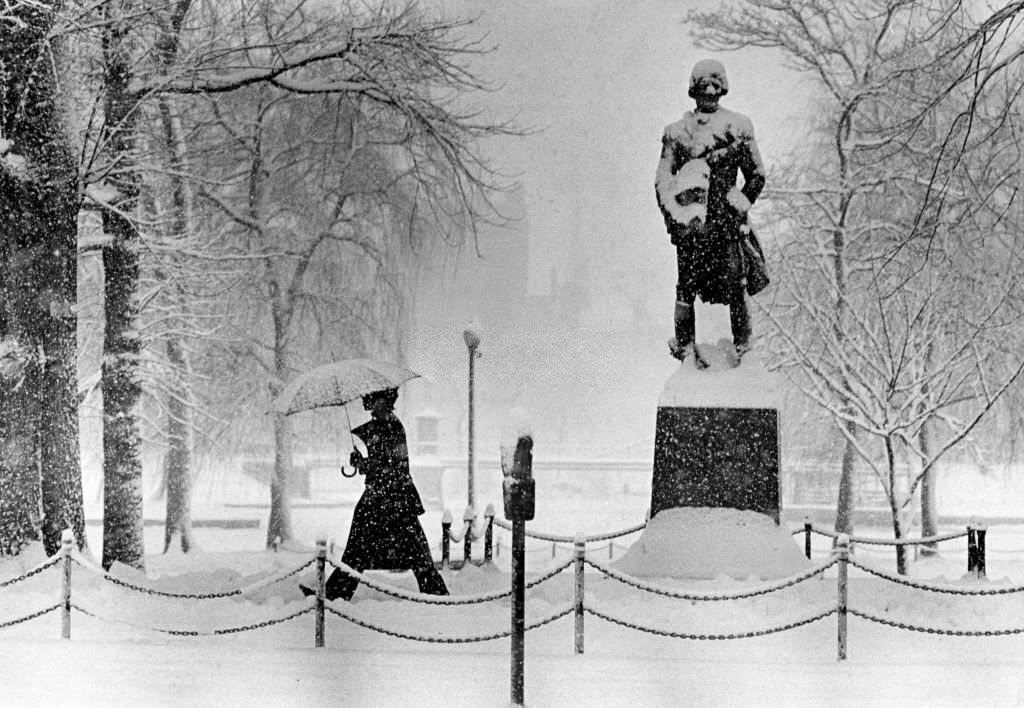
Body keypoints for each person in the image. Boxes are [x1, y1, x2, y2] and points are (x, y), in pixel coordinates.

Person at [655, 58, 769, 367]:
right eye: (703, 86)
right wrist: (677, 219)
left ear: (722, 89)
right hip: (691, 229)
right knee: (685, 289)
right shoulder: (676, 133)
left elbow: (756, 174)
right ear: (693, 91)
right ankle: (686, 350)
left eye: (714, 86)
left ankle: (745, 350)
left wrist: (739, 201)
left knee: (737, 287)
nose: (708, 92)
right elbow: (663, 181)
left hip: (726, 226)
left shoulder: (738, 127)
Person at [301, 387, 448, 601]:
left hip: (391, 500)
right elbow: (384, 464)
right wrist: (364, 463)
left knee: (408, 554)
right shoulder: (385, 426)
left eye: (374, 401)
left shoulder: (392, 427)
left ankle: (437, 594)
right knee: (362, 552)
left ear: (384, 402)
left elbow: (394, 466)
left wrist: (366, 464)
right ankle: (334, 594)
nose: (370, 407)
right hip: (386, 500)